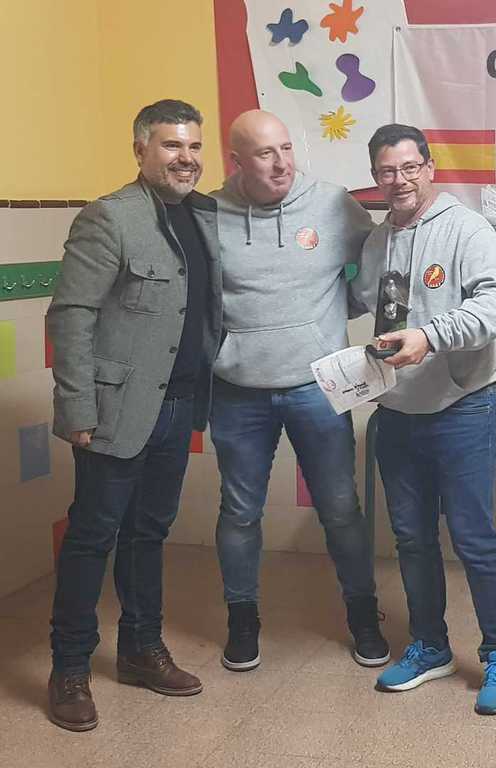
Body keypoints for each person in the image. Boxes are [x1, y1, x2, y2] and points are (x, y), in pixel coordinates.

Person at [46, 100, 222, 731]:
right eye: (172, 146)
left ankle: (141, 650)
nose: (186, 158)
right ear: (141, 150)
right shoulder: (109, 217)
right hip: (114, 412)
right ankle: (69, 668)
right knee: (93, 537)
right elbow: (71, 317)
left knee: (149, 534)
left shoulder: (204, 215)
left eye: (194, 146)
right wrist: (77, 408)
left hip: (178, 407)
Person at [350, 123, 496, 715]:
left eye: (409, 167)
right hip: (396, 412)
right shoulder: (376, 242)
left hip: (462, 407)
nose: (398, 180)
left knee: (474, 539)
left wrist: (431, 335)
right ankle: (430, 646)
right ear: (375, 179)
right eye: (386, 171)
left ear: (429, 168)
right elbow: (366, 307)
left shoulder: (466, 229)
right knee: (412, 539)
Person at [208, 109, 388, 671]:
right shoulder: (208, 213)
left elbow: (378, 260)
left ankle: (363, 616)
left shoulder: (332, 203)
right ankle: (242, 621)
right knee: (240, 512)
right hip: (237, 390)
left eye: (286, 148)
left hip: (318, 386)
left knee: (340, 509)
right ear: (236, 161)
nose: (281, 163)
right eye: (265, 153)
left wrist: (339, 312)